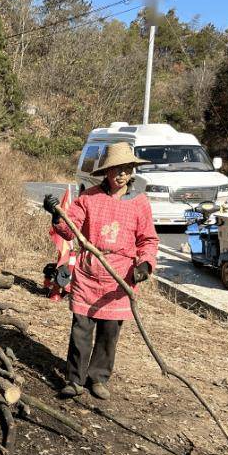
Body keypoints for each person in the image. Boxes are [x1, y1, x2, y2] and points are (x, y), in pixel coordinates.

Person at [43, 142, 159, 400]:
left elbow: (148, 240)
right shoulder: (89, 198)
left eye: (127, 169)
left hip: (120, 276)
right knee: (81, 329)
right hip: (89, 272)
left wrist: (144, 264)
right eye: (116, 169)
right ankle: (74, 379)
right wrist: (55, 214)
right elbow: (68, 229)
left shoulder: (139, 203)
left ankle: (97, 378)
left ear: (132, 172)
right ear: (106, 172)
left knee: (109, 332)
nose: (121, 174)